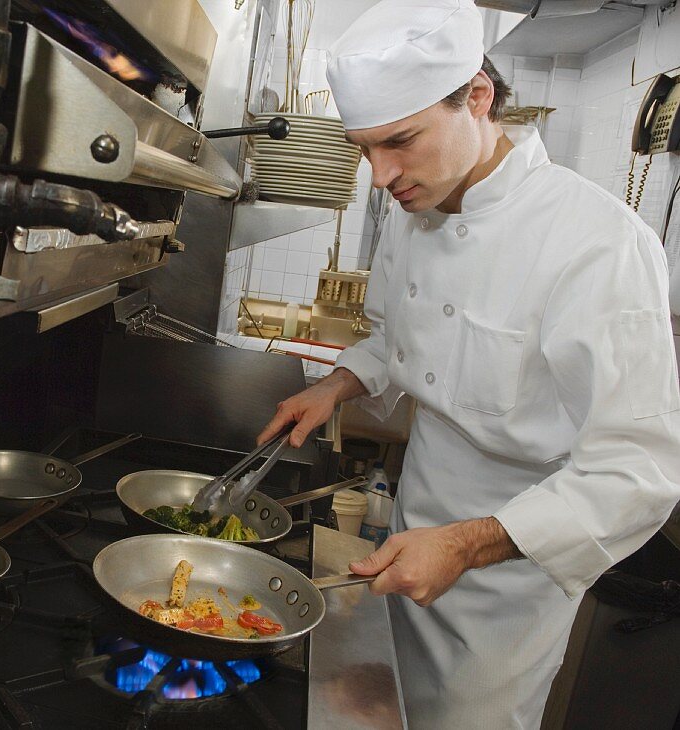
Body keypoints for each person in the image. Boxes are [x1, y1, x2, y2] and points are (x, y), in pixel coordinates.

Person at [256, 1, 680, 727]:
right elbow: (395, 337)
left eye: (401, 141)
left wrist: (463, 543)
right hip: (407, 545)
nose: (381, 175)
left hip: (504, 595)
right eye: (364, 149)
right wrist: (336, 384)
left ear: (477, 97)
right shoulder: (414, 208)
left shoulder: (598, 244)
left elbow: (638, 474)